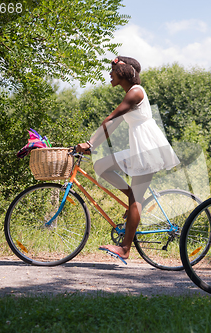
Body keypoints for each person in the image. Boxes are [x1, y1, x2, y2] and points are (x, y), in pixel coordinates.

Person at [76, 56, 180, 261]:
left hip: (147, 150)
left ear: (122, 72)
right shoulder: (130, 94)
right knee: (101, 165)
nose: (109, 74)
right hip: (141, 149)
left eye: (112, 70)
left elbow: (110, 118)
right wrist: (92, 144)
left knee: (136, 200)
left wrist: (89, 144)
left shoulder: (135, 93)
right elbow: (112, 125)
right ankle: (132, 197)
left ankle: (125, 249)